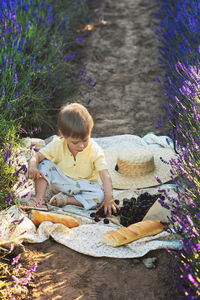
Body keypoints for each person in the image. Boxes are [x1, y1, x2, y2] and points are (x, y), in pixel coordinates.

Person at [26, 102, 119, 216]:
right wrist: (32, 166)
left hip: (84, 186)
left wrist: (109, 198)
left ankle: (66, 200)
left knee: (100, 194)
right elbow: (36, 156)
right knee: (44, 164)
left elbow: (105, 174)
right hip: (61, 182)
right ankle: (39, 200)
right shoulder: (58, 144)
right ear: (63, 135)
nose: (81, 146)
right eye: (75, 142)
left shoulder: (95, 150)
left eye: (85, 140)